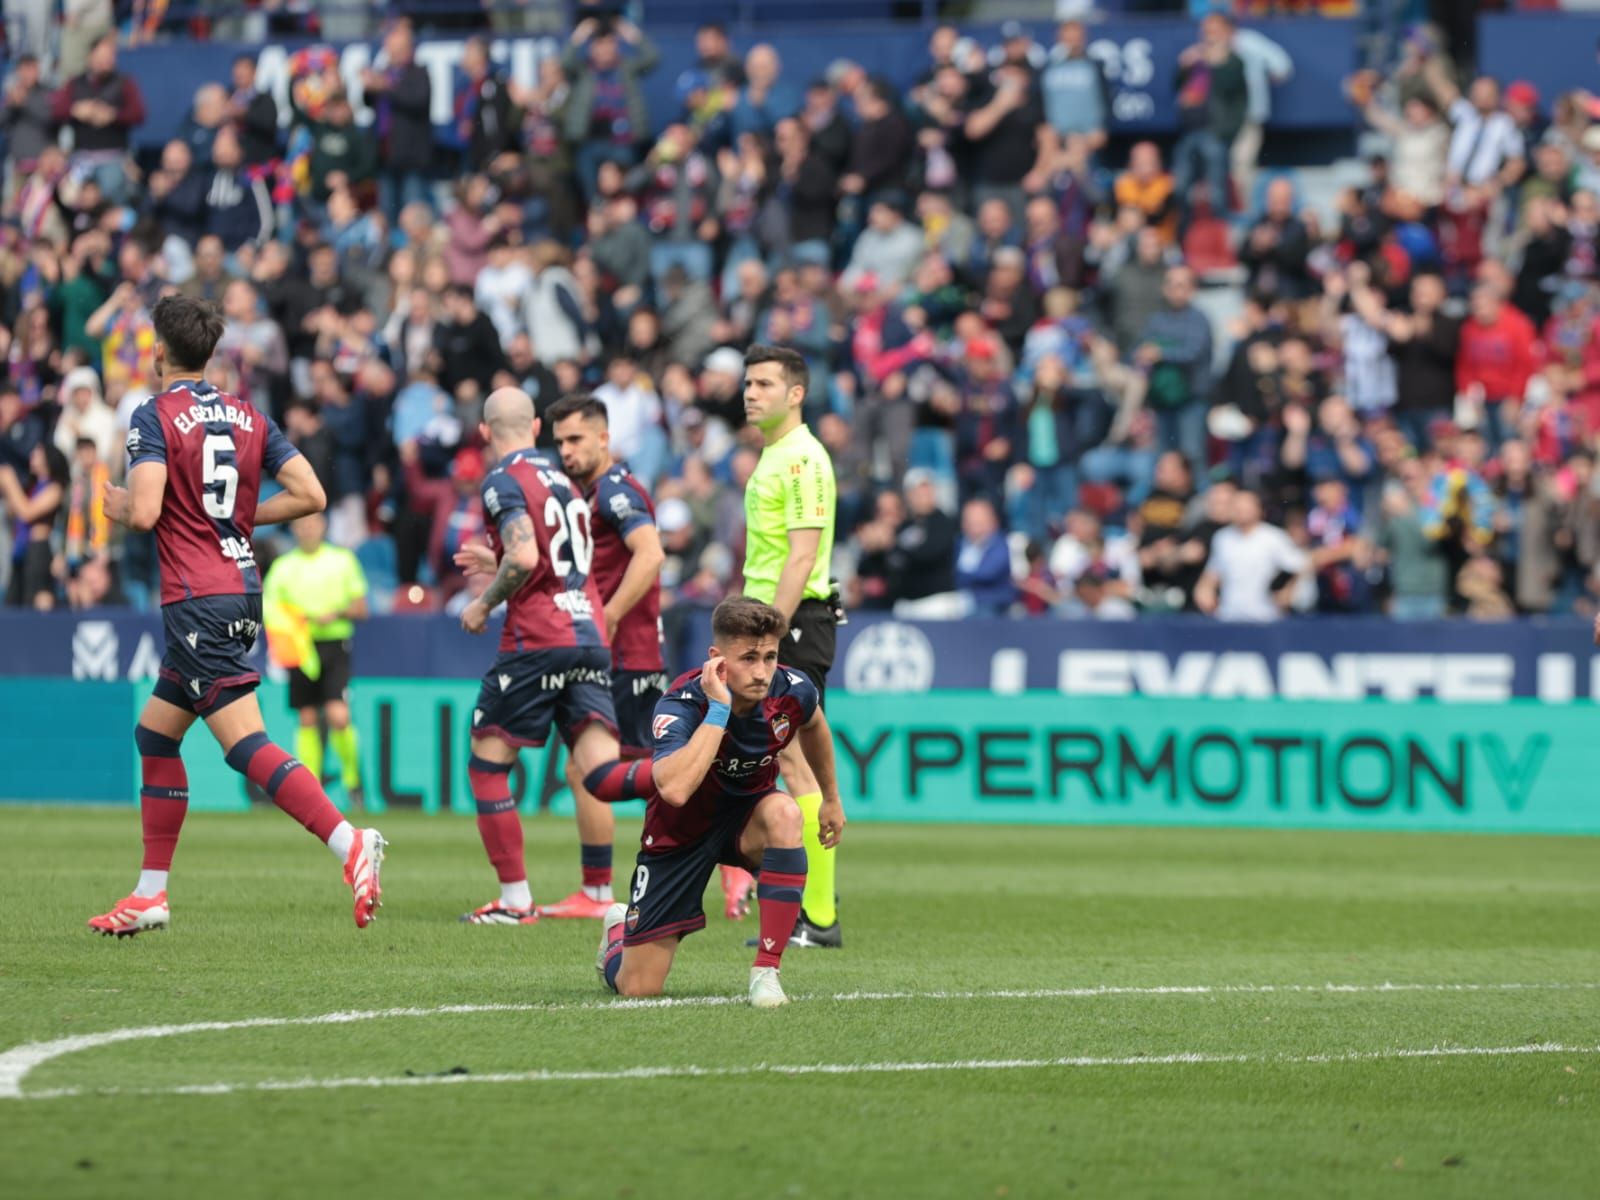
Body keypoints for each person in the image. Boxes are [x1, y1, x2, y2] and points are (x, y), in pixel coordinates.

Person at [87, 295, 385, 937]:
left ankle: (348, 842)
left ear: (159, 352)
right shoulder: (249, 416)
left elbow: (144, 511)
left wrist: (115, 509)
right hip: (241, 586)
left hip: (198, 596)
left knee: (244, 744)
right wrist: (238, 518)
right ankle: (150, 894)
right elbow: (312, 495)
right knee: (156, 735)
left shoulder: (153, 415)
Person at [451, 387, 657, 925]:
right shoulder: (567, 482)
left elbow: (524, 554)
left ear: (484, 432)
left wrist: (483, 602)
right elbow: (551, 553)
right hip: (589, 633)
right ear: (538, 428)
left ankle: (516, 901)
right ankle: (687, 786)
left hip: (538, 637)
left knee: (487, 765)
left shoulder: (502, 479)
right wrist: (498, 559)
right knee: (598, 770)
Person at [594, 596, 846, 1008]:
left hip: (748, 820)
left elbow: (816, 726)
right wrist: (719, 710)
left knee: (786, 812)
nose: (762, 671)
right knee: (638, 987)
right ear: (716, 658)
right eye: (749, 658)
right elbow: (674, 790)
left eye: (770, 656)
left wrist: (831, 799)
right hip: (680, 832)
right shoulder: (680, 703)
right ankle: (619, 935)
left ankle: (766, 971)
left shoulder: (792, 688)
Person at [539, 394, 667, 920]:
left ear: (603, 437)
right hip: (614, 655)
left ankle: (736, 861)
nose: (566, 451)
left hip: (627, 655)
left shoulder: (616, 490)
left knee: (654, 775)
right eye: (560, 441)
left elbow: (652, 552)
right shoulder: (590, 496)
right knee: (592, 769)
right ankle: (594, 891)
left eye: (575, 439)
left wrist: (609, 617)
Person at [738, 344, 842, 948]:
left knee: (792, 760)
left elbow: (803, 552)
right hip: (775, 619)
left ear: (795, 393)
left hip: (794, 621)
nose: (751, 393)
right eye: (748, 384)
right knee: (783, 758)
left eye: (765, 384)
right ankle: (807, 908)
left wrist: (771, 630)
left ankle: (817, 917)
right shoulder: (779, 455)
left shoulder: (803, 458)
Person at [262, 511, 370, 807]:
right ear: (294, 528)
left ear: (323, 526)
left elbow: (361, 608)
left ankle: (353, 781)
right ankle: (310, 788)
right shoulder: (284, 568)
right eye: (301, 524)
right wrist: (296, 620)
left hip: (335, 644)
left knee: (338, 715)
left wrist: (335, 614)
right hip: (301, 645)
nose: (307, 529)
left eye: (312, 524)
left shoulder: (342, 560)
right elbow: (270, 609)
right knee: (307, 716)